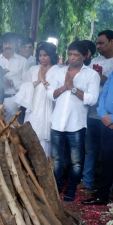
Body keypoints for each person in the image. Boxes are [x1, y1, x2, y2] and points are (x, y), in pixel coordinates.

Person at [47, 41, 100, 201]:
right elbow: (50, 94)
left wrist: (73, 88)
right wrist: (65, 87)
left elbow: (92, 99)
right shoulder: (59, 72)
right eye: (70, 54)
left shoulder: (91, 75)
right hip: (57, 123)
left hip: (76, 125)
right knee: (56, 159)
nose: (71, 58)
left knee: (76, 162)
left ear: (85, 56)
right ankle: (56, 188)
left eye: (76, 55)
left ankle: (70, 190)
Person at [78, 30, 113, 191]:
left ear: (112, 42)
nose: (98, 46)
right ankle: (87, 181)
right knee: (90, 150)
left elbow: (107, 86)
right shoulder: (94, 62)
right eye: (97, 43)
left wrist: (101, 77)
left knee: (108, 153)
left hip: (109, 118)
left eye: (101, 43)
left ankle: (107, 187)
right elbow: (88, 83)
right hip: (92, 113)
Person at [15, 43, 59, 157]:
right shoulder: (33, 69)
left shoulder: (58, 71)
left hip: (48, 108)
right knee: (30, 136)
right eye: (40, 55)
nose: (42, 58)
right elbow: (23, 89)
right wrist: (38, 81)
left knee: (44, 140)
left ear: (51, 56)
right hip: (33, 109)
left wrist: (43, 80)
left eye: (45, 55)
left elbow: (57, 92)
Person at [82, 71, 113, 205]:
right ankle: (103, 195)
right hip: (106, 123)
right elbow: (103, 95)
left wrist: (111, 118)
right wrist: (103, 115)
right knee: (107, 160)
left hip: (110, 120)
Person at [0, 32, 27, 122]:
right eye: (5, 43)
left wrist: (12, 83)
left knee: (11, 128)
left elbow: (25, 84)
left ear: (15, 45)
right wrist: (0, 75)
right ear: (2, 45)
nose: (7, 46)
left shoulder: (22, 61)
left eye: (10, 43)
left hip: (13, 99)